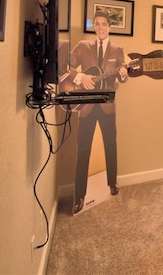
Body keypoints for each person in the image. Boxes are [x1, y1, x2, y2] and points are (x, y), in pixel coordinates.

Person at [67, 11, 128, 214]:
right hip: (86, 106)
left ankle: (112, 183)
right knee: (82, 150)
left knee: (111, 145)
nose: (101, 27)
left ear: (109, 27)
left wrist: (124, 74)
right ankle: (79, 196)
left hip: (108, 106)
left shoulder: (118, 50)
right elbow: (65, 65)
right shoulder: (83, 47)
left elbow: (123, 78)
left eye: (104, 24)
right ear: (95, 26)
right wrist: (80, 76)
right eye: (97, 24)